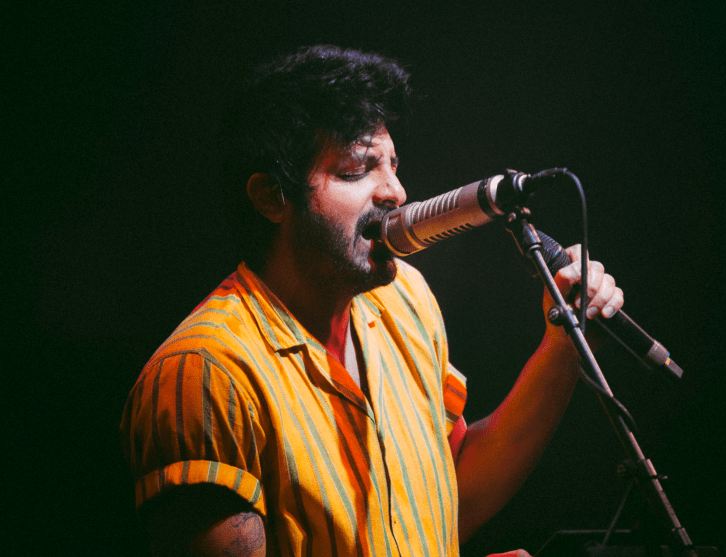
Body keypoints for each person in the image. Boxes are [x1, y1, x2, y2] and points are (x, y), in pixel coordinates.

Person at [120, 45, 623, 557]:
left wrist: (563, 348)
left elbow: (450, 502)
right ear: (271, 197)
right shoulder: (204, 373)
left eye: (393, 166)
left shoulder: (405, 297)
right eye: (357, 170)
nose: (396, 192)